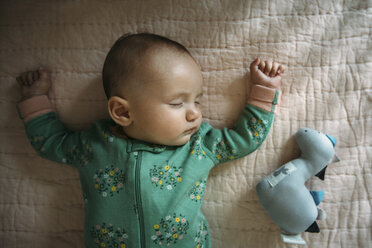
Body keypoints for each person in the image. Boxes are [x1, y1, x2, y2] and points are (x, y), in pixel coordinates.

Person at [16, 33, 284, 248]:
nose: (195, 113)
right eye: (178, 102)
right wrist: (34, 99)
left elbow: (244, 139)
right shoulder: (94, 145)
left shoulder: (199, 146)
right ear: (122, 111)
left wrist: (263, 91)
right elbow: (50, 143)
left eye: (197, 100)